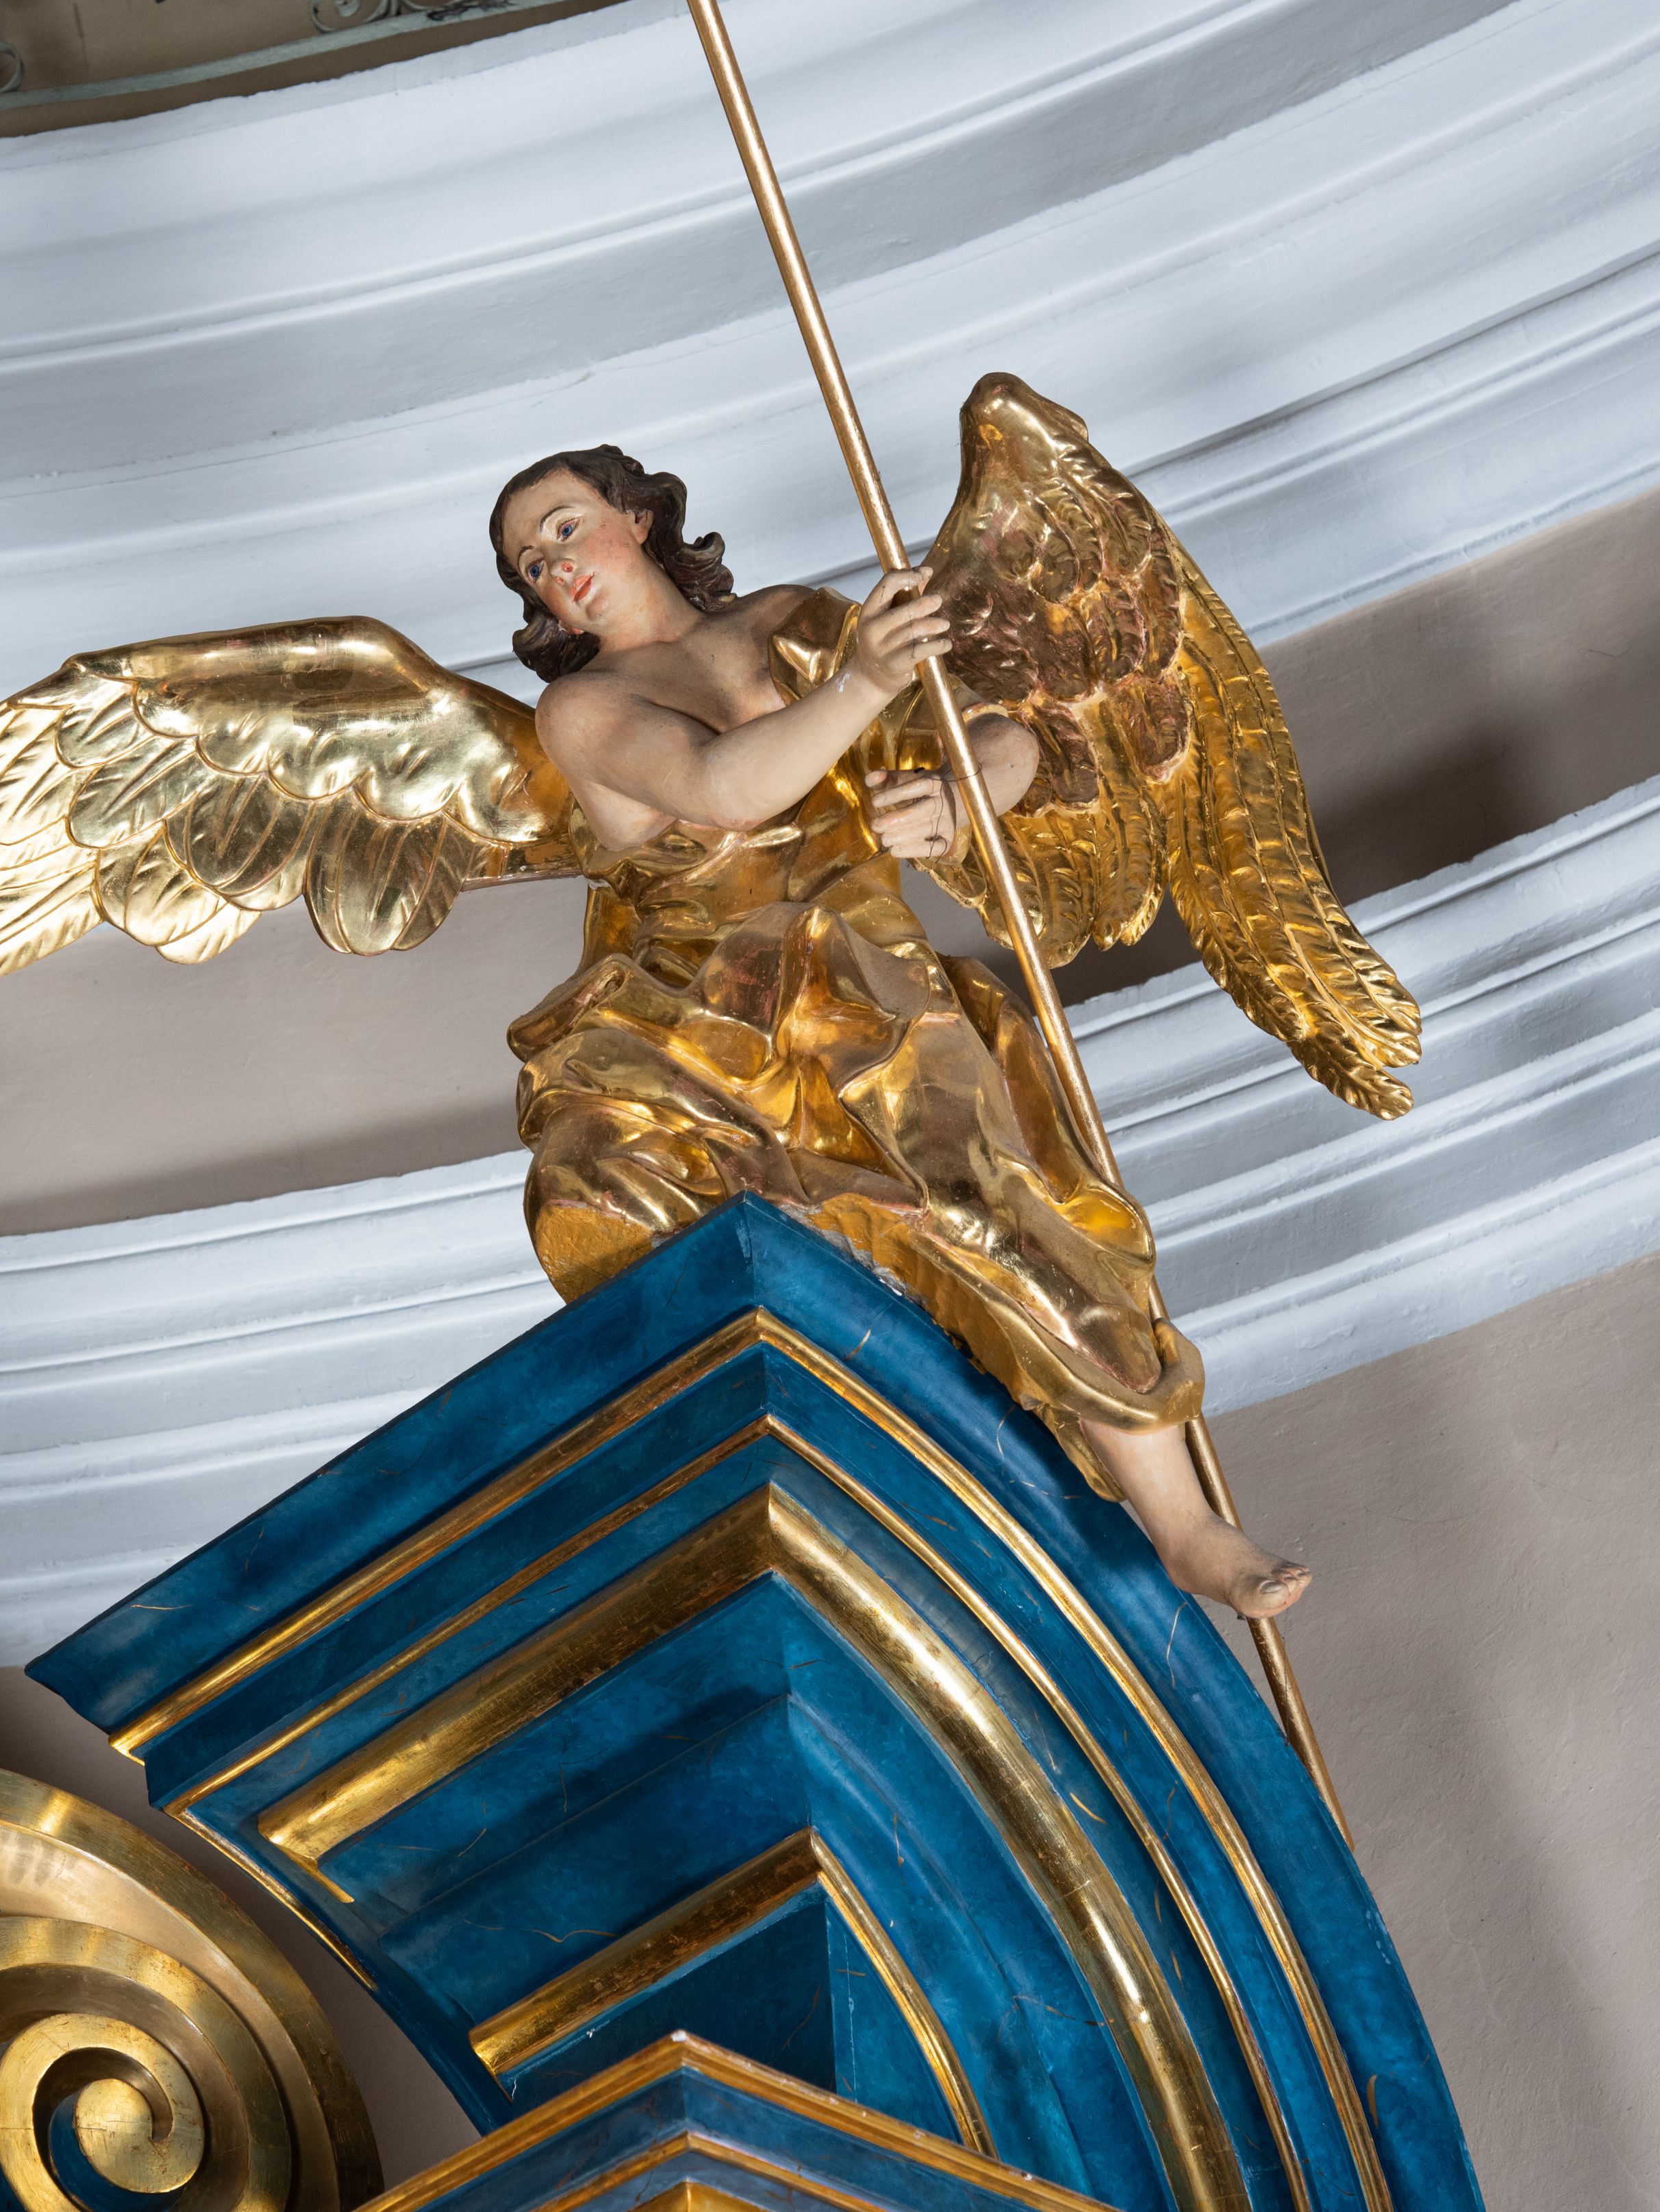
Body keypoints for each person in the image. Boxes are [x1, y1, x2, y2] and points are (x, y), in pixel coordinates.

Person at [493, 441, 1310, 1621]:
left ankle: (1184, 1530)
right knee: (689, 1238)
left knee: (1004, 1216)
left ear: (636, 516)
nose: (552, 565)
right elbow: (727, 789)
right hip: (706, 1034)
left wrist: (962, 798)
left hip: (872, 987)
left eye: (564, 527)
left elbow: (1007, 739)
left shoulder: (799, 624)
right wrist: (864, 686)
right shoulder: (582, 708)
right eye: (530, 564)